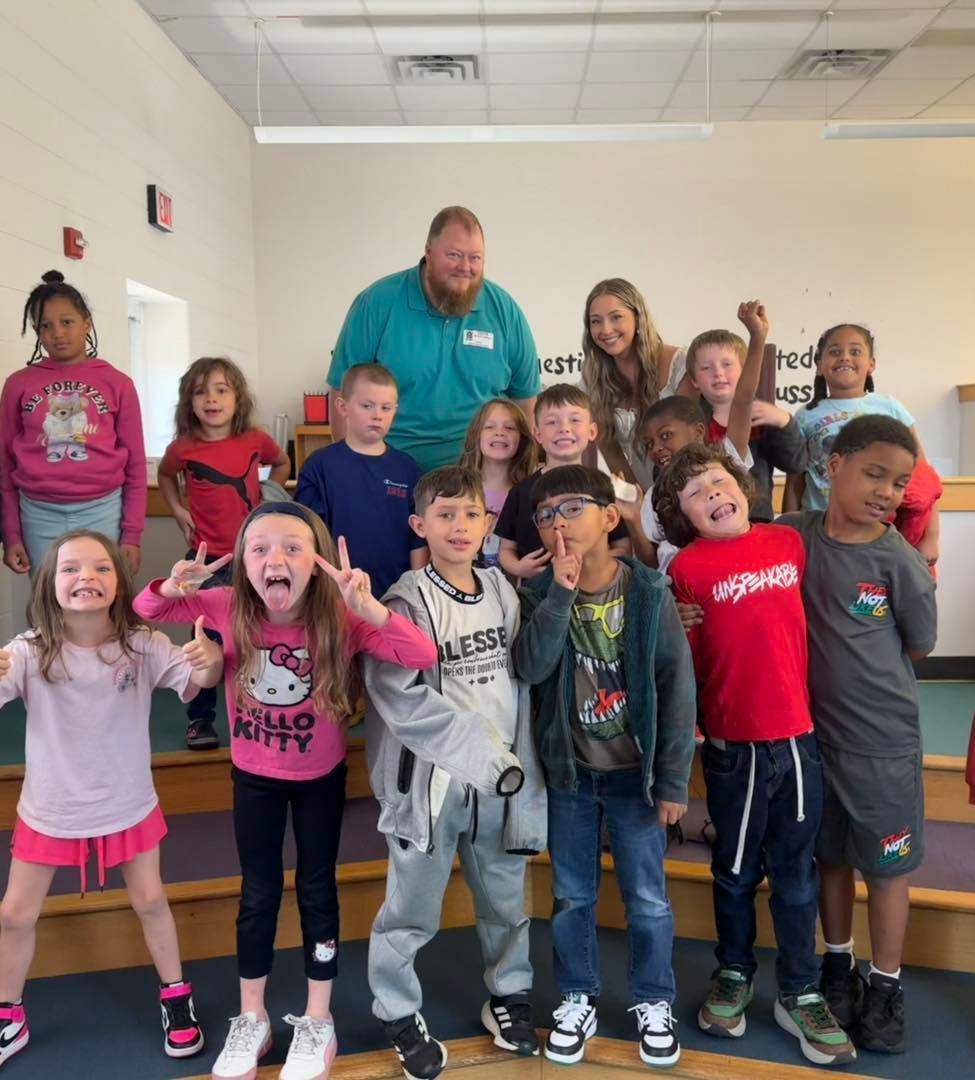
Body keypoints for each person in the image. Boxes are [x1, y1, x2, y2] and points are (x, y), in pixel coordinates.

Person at [134, 504, 437, 1080]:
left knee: (317, 891)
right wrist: (172, 585)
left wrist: (369, 607)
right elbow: (148, 607)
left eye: (294, 548)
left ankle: (318, 1017)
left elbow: (421, 654)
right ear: (243, 564)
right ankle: (253, 1016)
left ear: (319, 561)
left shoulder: (340, 618)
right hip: (254, 779)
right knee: (258, 894)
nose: (276, 559)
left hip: (320, 780)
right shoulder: (224, 605)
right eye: (260, 548)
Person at [655, 445, 855, 1068]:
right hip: (732, 748)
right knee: (735, 872)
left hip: (797, 740)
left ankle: (799, 990)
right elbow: (684, 654)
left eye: (720, 481)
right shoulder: (685, 568)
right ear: (682, 516)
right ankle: (735, 972)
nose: (715, 494)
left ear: (743, 487)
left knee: (795, 875)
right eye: (697, 493)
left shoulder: (786, 543)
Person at [0, 530, 224, 1069]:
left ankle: (176, 995)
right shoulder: (28, 651)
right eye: (72, 569)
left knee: (150, 901)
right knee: (13, 914)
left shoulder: (142, 644)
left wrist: (211, 656)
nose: (87, 578)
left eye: (101, 569)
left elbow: (200, 677)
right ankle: (9, 1013)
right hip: (51, 808)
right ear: (49, 585)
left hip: (127, 803)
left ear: (119, 583)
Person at [363, 466, 546, 1080]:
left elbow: (518, 681)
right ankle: (396, 1008)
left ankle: (508, 995)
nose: (459, 526)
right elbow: (404, 701)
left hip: (501, 786)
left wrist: (514, 767)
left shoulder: (501, 589)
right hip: (434, 787)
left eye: (470, 514)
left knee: (505, 900)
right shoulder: (403, 600)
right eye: (444, 515)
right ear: (421, 525)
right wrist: (489, 759)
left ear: (488, 524)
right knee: (411, 909)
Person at [513, 465, 695, 1068]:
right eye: (545, 515)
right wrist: (560, 593)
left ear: (609, 516)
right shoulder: (537, 594)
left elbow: (676, 689)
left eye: (571, 508)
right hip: (571, 776)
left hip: (634, 779)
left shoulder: (647, 593)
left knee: (648, 899)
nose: (557, 522)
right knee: (571, 896)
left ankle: (652, 998)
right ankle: (577, 995)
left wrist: (671, 781)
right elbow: (532, 668)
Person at [778, 415, 937, 1055]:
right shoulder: (793, 537)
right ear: (832, 464)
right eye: (874, 473)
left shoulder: (897, 560)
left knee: (887, 866)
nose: (887, 491)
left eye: (899, 482)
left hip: (883, 744)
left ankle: (886, 983)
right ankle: (837, 970)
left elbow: (920, 644)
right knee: (831, 857)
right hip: (814, 739)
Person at [326, 206, 541, 472]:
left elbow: (526, 400)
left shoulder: (504, 310)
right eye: (454, 255)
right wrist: (351, 469)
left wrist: (522, 474)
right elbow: (341, 391)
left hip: (480, 475)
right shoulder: (377, 303)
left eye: (475, 258)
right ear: (429, 253)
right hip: (391, 472)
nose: (465, 267)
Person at [159, 356, 290, 750]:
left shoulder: (255, 439)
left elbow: (281, 462)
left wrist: (269, 500)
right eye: (201, 392)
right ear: (189, 401)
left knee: (254, 635)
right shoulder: (182, 448)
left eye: (221, 390)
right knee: (205, 640)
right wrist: (179, 509)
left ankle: (255, 712)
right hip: (204, 563)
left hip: (251, 561)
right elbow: (165, 475)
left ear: (237, 398)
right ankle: (200, 719)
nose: (211, 399)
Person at [1, 270, 147, 577]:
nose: (57, 333)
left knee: (102, 604)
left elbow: (135, 466)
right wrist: (11, 535)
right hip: (38, 513)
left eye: (67, 322)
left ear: (87, 323)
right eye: (46, 325)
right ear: (37, 332)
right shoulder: (17, 385)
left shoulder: (118, 383)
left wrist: (131, 534)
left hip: (104, 510)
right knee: (49, 607)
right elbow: (4, 465)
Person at [784, 324, 941, 568]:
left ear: (871, 365)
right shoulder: (805, 416)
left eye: (855, 351)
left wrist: (931, 537)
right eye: (835, 352)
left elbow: (925, 478)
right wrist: (788, 535)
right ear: (819, 365)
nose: (845, 356)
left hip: (878, 529)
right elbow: (795, 481)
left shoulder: (889, 407)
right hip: (819, 530)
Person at [635, 301, 768, 571]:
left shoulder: (725, 461)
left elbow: (742, 401)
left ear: (697, 431)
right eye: (649, 444)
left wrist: (757, 338)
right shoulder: (654, 497)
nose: (657, 448)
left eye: (666, 435)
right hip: (684, 600)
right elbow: (649, 560)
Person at [295, 363, 427, 597]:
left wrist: (418, 593)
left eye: (386, 408)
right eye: (367, 406)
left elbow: (418, 540)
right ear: (343, 407)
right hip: (335, 595)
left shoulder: (407, 469)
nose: (377, 415)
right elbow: (306, 536)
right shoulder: (320, 466)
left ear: (395, 411)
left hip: (394, 597)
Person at [495, 385, 630, 582]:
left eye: (575, 420)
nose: (564, 428)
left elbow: (624, 547)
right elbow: (506, 550)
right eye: (551, 422)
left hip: (596, 594)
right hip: (537, 597)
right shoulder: (520, 491)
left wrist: (592, 561)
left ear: (592, 431)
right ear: (537, 434)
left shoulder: (604, 487)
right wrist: (518, 567)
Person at [581, 278, 694, 491]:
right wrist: (640, 505)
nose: (605, 330)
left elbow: (688, 445)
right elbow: (611, 452)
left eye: (616, 317)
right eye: (596, 321)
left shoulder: (678, 363)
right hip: (640, 495)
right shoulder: (592, 377)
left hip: (687, 487)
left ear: (638, 318)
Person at [685, 327, 807, 523]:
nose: (718, 373)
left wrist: (785, 423)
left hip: (756, 521)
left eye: (727, 364)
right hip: (708, 524)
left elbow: (796, 463)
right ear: (694, 380)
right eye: (706, 368)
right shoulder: (690, 425)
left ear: (746, 371)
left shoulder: (763, 417)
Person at [457, 397, 538, 571]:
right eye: (489, 427)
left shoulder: (530, 492)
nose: (499, 433)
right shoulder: (457, 490)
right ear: (476, 435)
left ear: (522, 439)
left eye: (509, 428)